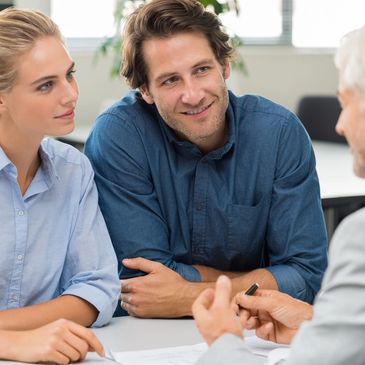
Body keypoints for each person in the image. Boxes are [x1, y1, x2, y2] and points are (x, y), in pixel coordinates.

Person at [84, 0, 327, 318]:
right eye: (170, 80)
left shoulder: (278, 133)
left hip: (256, 337)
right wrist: (263, 280)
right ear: (145, 90)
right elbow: (144, 285)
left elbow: (307, 275)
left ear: (224, 65)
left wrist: (188, 296)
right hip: (144, 340)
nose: (193, 94)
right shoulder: (120, 135)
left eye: (201, 70)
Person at [192, 23, 365, 365]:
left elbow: (306, 268)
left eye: (346, 104)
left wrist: (224, 343)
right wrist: (316, 328)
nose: (339, 124)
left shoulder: (360, 237)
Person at [0, 8, 120, 364]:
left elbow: (97, 288)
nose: (70, 94)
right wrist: (10, 343)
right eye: (46, 85)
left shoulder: (74, 170)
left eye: (69, 75)